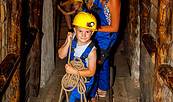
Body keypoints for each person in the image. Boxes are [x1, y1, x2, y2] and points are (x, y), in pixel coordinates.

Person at [84, 0, 121, 98]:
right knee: (90, 59)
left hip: (107, 36)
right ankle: (94, 88)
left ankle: (101, 88)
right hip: (95, 32)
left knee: (100, 61)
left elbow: (115, 27)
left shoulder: (113, 1)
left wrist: (93, 29)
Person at [58, 12, 97, 102]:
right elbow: (61, 55)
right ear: (75, 30)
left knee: (76, 99)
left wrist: (74, 71)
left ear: (92, 32)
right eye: (80, 31)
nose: (83, 35)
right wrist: (68, 42)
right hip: (72, 77)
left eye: (87, 32)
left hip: (83, 81)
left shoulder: (92, 51)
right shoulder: (72, 39)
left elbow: (91, 72)